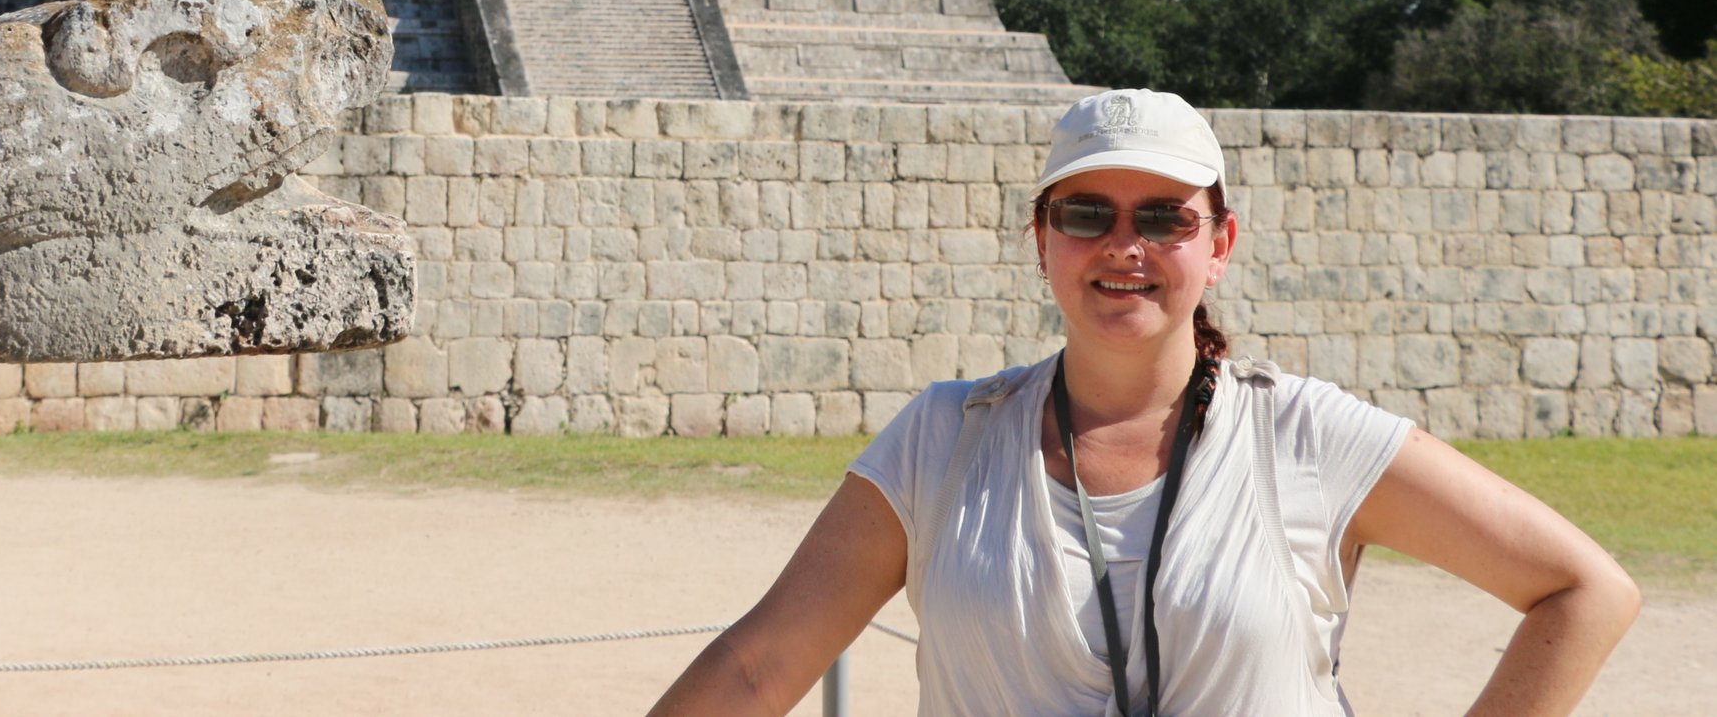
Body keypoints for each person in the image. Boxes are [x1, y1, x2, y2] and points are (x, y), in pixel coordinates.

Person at [648, 87, 1639, 717]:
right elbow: (759, 664)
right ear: (1042, 240)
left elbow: (1583, 590)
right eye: (1087, 213)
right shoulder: (947, 437)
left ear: (1219, 241)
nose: (1124, 244)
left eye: (1163, 216)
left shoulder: (1305, 435)